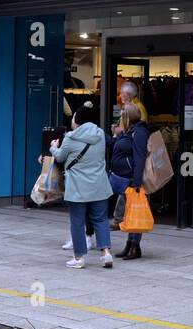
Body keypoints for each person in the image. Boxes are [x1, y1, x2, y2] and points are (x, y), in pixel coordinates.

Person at [50, 106, 114, 269]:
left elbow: (60, 157)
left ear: (77, 120)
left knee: (77, 222)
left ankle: (79, 258)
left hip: (78, 187)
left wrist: (53, 147)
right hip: (99, 185)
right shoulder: (100, 134)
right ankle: (106, 253)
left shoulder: (71, 138)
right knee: (100, 219)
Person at [107, 103, 150, 260]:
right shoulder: (129, 131)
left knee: (134, 212)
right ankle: (129, 244)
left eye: (122, 116)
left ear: (127, 117)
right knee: (129, 212)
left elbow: (139, 157)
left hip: (131, 179)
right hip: (125, 178)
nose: (119, 119)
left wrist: (136, 183)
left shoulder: (138, 132)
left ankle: (135, 246)